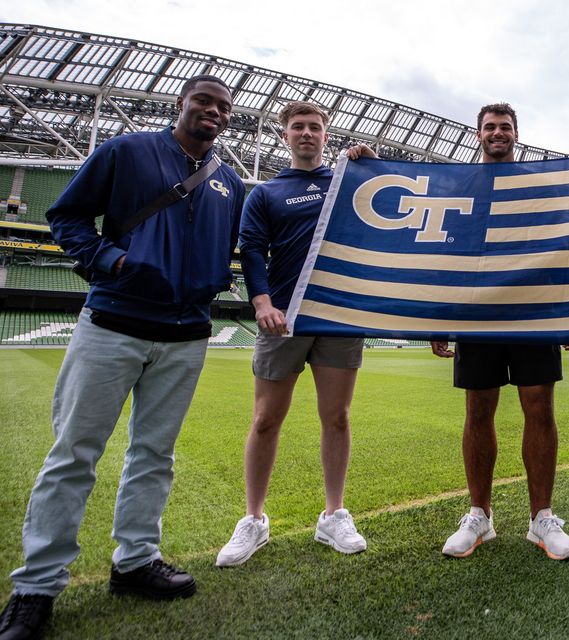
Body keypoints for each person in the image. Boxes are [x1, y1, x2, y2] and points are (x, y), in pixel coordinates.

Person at [0, 75, 244, 639]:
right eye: (203, 100)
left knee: (155, 454)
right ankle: (36, 586)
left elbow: (233, 247)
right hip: (113, 322)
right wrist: (109, 262)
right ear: (180, 104)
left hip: (187, 333)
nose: (213, 111)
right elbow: (66, 217)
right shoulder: (125, 150)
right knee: (74, 454)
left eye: (223, 107)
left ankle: (135, 561)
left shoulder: (229, 181)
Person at [216, 101, 377, 567]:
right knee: (266, 418)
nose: (306, 133)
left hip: (338, 317)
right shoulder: (265, 193)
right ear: (284, 136)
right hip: (281, 320)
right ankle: (253, 520)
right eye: (297, 127)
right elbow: (251, 251)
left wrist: (372, 166)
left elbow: (386, 209)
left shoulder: (348, 184)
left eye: (314, 128)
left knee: (338, 417)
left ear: (327, 137)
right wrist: (262, 301)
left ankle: (334, 514)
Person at [430, 103, 569, 561]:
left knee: (539, 405)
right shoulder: (462, 186)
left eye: (505, 127)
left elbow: (560, 246)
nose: (498, 132)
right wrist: (437, 315)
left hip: (534, 309)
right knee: (478, 408)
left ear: (517, 134)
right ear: (478, 134)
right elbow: (444, 250)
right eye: (490, 127)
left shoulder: (537, 185)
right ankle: (480, 515)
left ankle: (542, 518)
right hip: (476, 312)